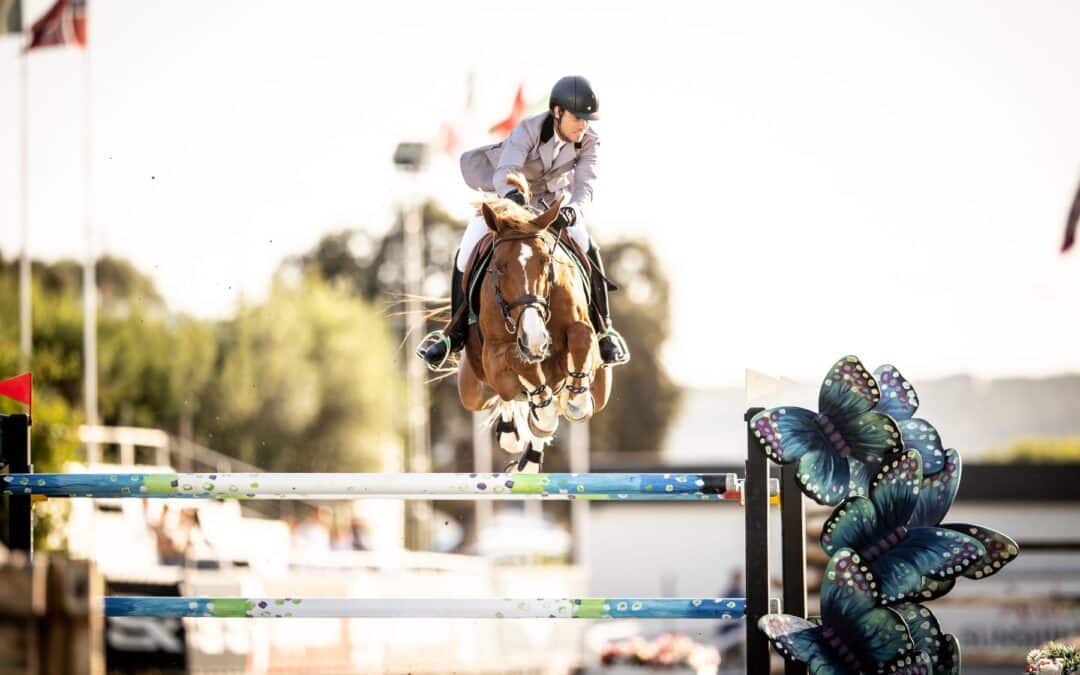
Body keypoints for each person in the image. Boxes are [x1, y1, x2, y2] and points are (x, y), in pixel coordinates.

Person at [416, 75, 629, 370]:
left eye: (587, 119)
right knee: (467, 248)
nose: (584, 125)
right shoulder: (527, 129)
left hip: (552, 203)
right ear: (557, 112)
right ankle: (454, 333)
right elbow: (506, 169)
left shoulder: (590, 141)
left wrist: (573, 211)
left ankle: (605, 330)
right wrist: (513, 197)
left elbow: (585, 187)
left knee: (585, 242)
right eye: (577, 118)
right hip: (509, 197)